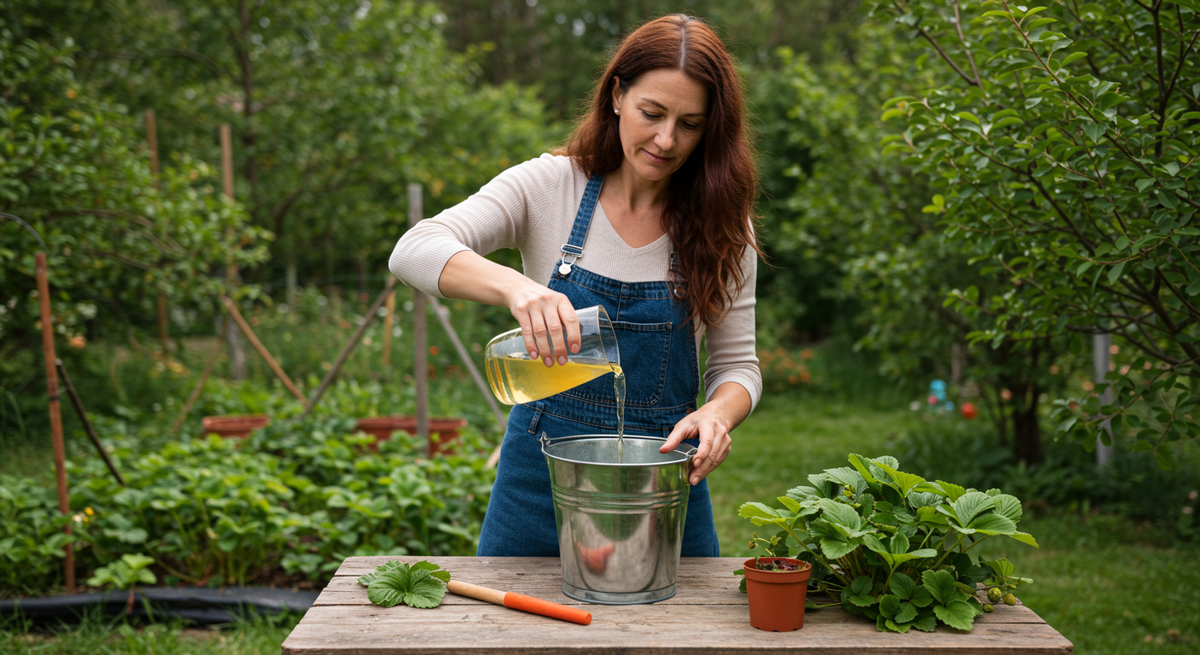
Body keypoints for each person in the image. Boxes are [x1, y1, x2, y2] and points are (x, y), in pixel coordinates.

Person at [389, 14, 761, 558]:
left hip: (663, 482)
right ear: (616, 96)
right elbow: (415, 248)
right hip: (537, 483)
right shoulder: (550, 185)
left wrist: (718, 413)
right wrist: (517, 288)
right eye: (651, 113)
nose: (666, 139)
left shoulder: (723, 224)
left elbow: (738, 368)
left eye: (689, 124)